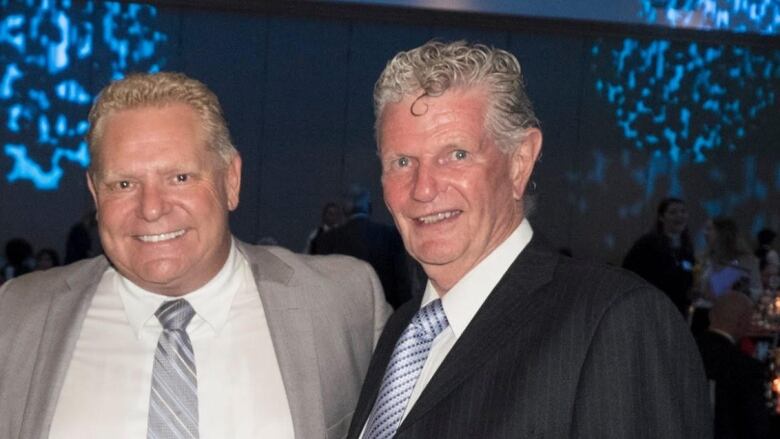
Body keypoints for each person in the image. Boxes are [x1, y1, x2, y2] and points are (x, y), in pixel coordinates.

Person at [347, 40, 711, 439]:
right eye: (402, 162)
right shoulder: (402, 329)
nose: (423, 188)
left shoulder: (615, 321)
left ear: (520, 162)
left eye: (456, 155)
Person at [0, 72, 391, 438]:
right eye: (123, 183)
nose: (151, 208)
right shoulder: (18, 316)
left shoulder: (344, 302)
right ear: (94, 194)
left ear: (231, 179)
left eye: (180, 178)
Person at [313, 185, 413, 309]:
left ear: (344, 209)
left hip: (341, 311)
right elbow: (402, 282)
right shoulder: (390, 235)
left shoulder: (328, 239)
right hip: (383, 310)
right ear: (369, 207)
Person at [696, 292, 771, 438]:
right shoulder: (745, 367)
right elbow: (755, 428)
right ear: (743, 323)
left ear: (711, 315)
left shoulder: (683, 350)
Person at [623, 197, 696, 317]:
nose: (679, 216)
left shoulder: (687, 248)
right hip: (652, 308)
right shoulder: (647, 243)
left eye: (683, 212)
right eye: (673, 212)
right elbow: (629, 271)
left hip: (678, 310)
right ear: (662, 217)